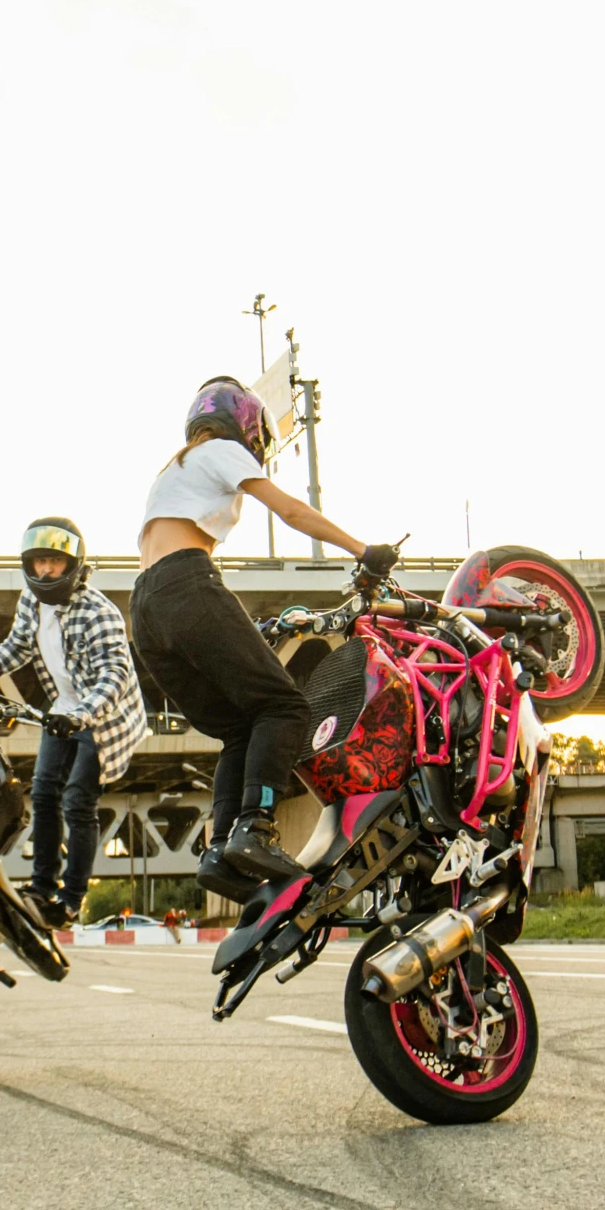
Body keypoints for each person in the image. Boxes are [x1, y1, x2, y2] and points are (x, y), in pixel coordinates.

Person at [131, 377, 397, 896]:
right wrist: (363, 550)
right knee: (286, 708)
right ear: (245, 423)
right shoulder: (224, 451)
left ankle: (219, 851)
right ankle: (255, 828)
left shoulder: (176, 468)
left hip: (145, 609)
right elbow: (291, 511)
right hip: (187, 582)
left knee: (241, 728)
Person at [0, 517, 146, 927]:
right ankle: (41, 888)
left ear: (74, 564)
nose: (46, 571)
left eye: (54, 561)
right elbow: (14, 649)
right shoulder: (30, 602)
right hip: (61, 711)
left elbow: (114, 676)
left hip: (102, 719)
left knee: (77, 802)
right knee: (43, 793)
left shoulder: (99, 612)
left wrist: (81, 714)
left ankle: (69, 903)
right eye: (38, 563)